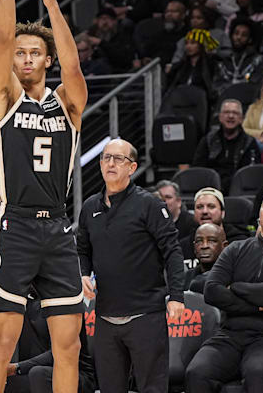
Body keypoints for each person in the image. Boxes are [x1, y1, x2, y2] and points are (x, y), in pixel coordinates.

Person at [0, 0, 87, 393]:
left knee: (70, 346)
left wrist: (53, 9)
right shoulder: (2, 99)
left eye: (34, 53)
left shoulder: (67, 103)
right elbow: (3, 37)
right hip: (15, 226)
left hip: (59, 228)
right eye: (21, 54)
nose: (24, 58)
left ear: (46, 61)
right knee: (3, 342)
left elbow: (76, 67)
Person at [77, 139, 184, 393]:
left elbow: (173, 251)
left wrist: (176, 296)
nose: (110, 163)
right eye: (105, 158)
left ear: (132, 167)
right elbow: (82, 249)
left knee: (152, 388)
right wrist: (82, 273)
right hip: (105, 315)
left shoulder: (149, 205)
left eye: (118, 159)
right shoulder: (90, 206)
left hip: (146, 315)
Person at [185, 190, 263, 393]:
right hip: (228, 334)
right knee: (197, 372)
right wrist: (259, 304)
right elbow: (212, 291)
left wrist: (234, 286)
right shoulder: (235, 249)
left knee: (257, 372)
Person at [192, 99, 260, 191]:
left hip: (238, 190)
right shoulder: (208, 140)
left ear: (241, 119)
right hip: (210, 189)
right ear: (220, 117)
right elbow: (198, 169)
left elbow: (251, 174)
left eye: (235, 113)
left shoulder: (249, 142)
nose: (231, 116)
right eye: (226, 112)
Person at [185, 223, 226, 293]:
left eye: (211, 241)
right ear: (194, 247)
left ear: (224, 246)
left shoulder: (233, 277)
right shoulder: (185, 278)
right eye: (199, 241)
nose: (204, 246)